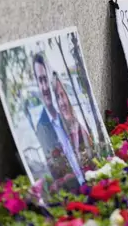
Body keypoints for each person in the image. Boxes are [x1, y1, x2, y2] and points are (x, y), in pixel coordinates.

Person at [31, 53, 85, 184]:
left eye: (46, 79)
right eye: (40, 80)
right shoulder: (41, 128)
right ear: (37, 83)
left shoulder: (67, 116)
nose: (44, 87)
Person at [52, 73, 95, 168]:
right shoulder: (58, 131)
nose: (61, 102)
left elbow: (93, 148)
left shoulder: (81, 120)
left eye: (62, 95)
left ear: (68, 96)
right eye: (57, 97)